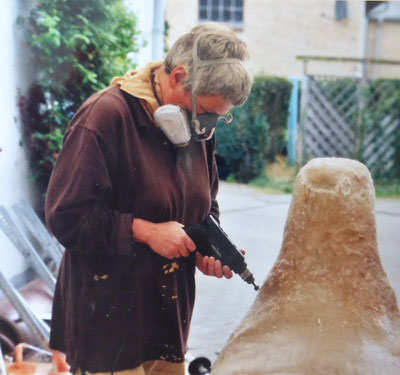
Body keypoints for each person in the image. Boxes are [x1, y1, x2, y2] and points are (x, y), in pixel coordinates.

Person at [44, 23, 252, 375]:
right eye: (204, 113)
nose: (207, 126)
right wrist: (146, 231)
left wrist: (206, 247)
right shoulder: (106, 117)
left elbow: (205, 204)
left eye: (218, 117)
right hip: (108, 323)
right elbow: (66, 215)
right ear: (179, 77)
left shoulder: (199, 129)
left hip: (166, 320)